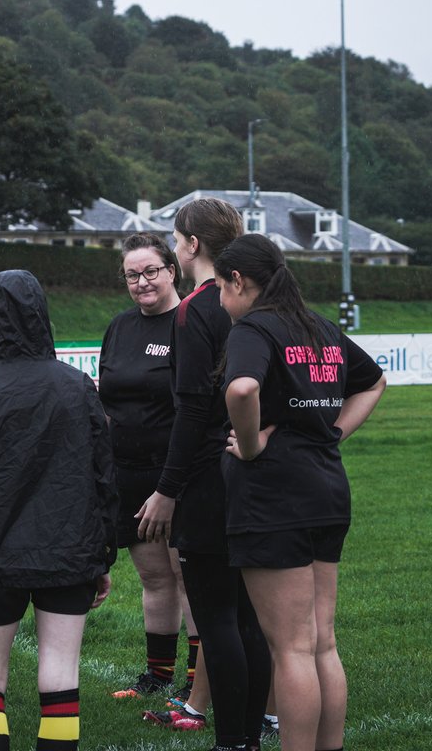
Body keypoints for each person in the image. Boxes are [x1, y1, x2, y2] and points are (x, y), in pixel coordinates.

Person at [216, 234, 385, 751]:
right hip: (328, 489)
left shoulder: (253, 328)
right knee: (321, 643)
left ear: (239, 282)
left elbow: (241, 388)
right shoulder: (321, 327)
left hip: (274, 499)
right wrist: (329, 434)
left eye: (222, 288)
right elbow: (374, 382)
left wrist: (247, 446)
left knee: (290, 648)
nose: (221, 300)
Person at [0, 269, 118, 751]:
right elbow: (105, 479)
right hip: (69, 552)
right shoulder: (78, 387)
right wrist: (103, 556)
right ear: (43, 317)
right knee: (60, 673)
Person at [135, 198, 271, 751]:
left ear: (191, 245)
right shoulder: (265, 300)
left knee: (219, 619)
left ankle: (233, 739)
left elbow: (192, 411)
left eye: (175, 237)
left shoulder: (197, 309)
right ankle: (254, 731)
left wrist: (167, 489)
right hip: (259, 476)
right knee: (249, 618)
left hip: (210, 480)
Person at [98, 232, 209, 730]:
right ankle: (157, 674)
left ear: (172, 271)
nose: (141, 282)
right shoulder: (119, 327)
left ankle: (194, 678)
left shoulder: (191, 323)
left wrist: (173, 481)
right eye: (132, 275)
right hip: (128, 471)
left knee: (188, 577)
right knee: (153, 577)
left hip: (178, 472)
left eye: (151, 272)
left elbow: (196, 405)